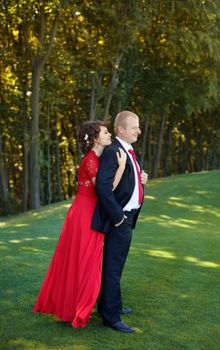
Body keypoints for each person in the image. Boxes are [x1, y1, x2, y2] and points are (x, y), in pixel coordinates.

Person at [33, 120, 127, 328]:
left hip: (90, 210)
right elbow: (105, 189)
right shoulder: (91, 160)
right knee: (86, 260)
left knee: (87, 260)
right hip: (85, 213)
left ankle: (82, 303)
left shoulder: (98, 157)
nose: (109, 134)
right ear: (95, 138)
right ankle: (79, 307)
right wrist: (121, 168)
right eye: (105, 132)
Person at [92, 111, 148, 333]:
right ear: (121, 130)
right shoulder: (113, 151)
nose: (139, 131)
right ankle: (111, 317)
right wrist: (118, 218)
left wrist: (141, 179)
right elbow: (103, 188)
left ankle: (110, 305)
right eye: (135, 127)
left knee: (116, 267)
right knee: (113, 269)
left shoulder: (128, 151)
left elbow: (125, 183)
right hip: (119, 220)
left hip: (127, 217)